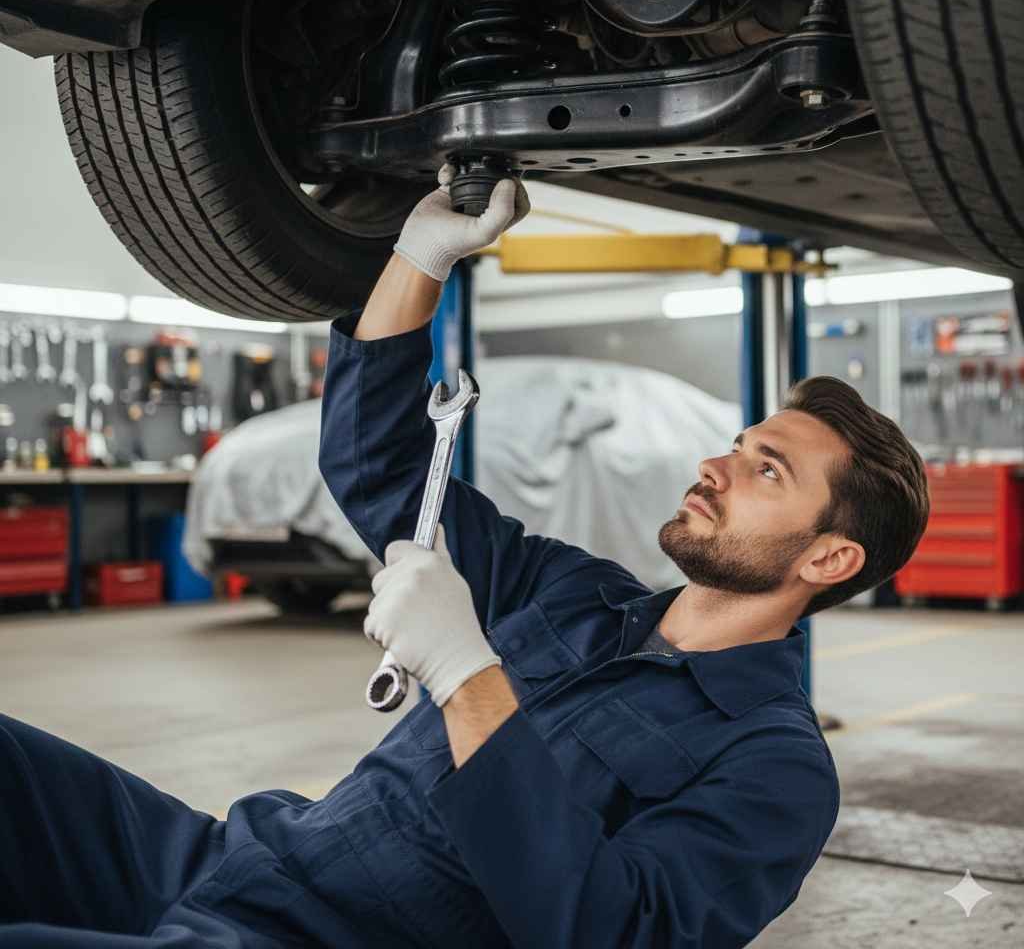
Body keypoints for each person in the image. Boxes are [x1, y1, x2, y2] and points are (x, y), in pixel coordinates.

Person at [0, 169, 931, 948]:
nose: (715, 465)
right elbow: (380, 469)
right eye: (736, 442)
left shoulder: (775, 768)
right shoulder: (576, 594)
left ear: (830, 557)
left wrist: (465, 673)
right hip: (238, 859)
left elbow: (607, 930)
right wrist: (419, 261)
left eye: (764, 469)